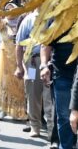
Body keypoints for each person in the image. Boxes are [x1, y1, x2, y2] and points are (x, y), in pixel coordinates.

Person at [15, 9, 54, 139]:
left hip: (51, 62)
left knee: (49, 96)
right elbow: (19, 44)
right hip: (32, 62)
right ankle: (35, 126)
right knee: (32, 93)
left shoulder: (54, 17)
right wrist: (19, 66)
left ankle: (51, 129)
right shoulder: (29, 19)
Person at [0, 0, 27, 121]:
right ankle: (2, 109)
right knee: (4, 82)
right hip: (5, 57)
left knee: (19, 84)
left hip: (19, 57)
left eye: (12, 9)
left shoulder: (22, 22)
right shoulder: (3, 24)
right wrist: (1, 3)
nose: (10, 12)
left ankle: (18, 111)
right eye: (7, 9)